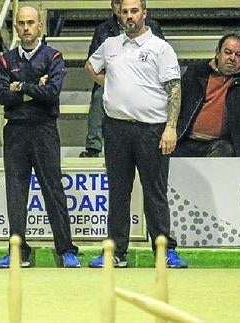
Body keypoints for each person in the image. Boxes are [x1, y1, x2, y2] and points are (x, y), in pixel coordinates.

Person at [85, 0, 187, 268]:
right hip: (116, 129)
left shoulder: (160, 48)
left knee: (155, 193)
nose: (129, 16)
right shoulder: (110, 45)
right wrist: (111, 84)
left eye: (134, 11)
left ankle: (164, 249)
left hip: (152, 129)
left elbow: (174, 89)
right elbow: (90, 67)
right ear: (119, 13)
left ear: (144, 14)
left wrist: (171, 127)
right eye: (125, 11)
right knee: (118, 193)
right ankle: (116, 252)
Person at [0, 6, 80, 269]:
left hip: (44, 129)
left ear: (40, 25)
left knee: (53, 190)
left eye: (31, 22)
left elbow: (52, 93)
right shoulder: (5, 59)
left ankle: (65, 250)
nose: (26, 28)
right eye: (21, 23)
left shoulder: (53, 56)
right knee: (16, 193)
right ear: (16, 27)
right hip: (15, 130)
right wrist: (34, 88)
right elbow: (1, 95)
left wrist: (19, 86)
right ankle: (19, 250)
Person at [79, 0, 165, 158]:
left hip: (145, 81)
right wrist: (111, 83)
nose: (122, 8)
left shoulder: (152, 26)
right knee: (99, 96)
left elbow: (161, 60)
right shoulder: (103, 29)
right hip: (113, 79)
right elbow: (92, 63)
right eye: (117, 3)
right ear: (112, 6)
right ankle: (93, 148)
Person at [174, 33, 240, 157]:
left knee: (225, 150)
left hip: (219, 143)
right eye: (228, 52)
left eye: (238, 55)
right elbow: (177, 103)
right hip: (186, 138)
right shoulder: (196, 71)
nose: (233, 58)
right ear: (218, 52)